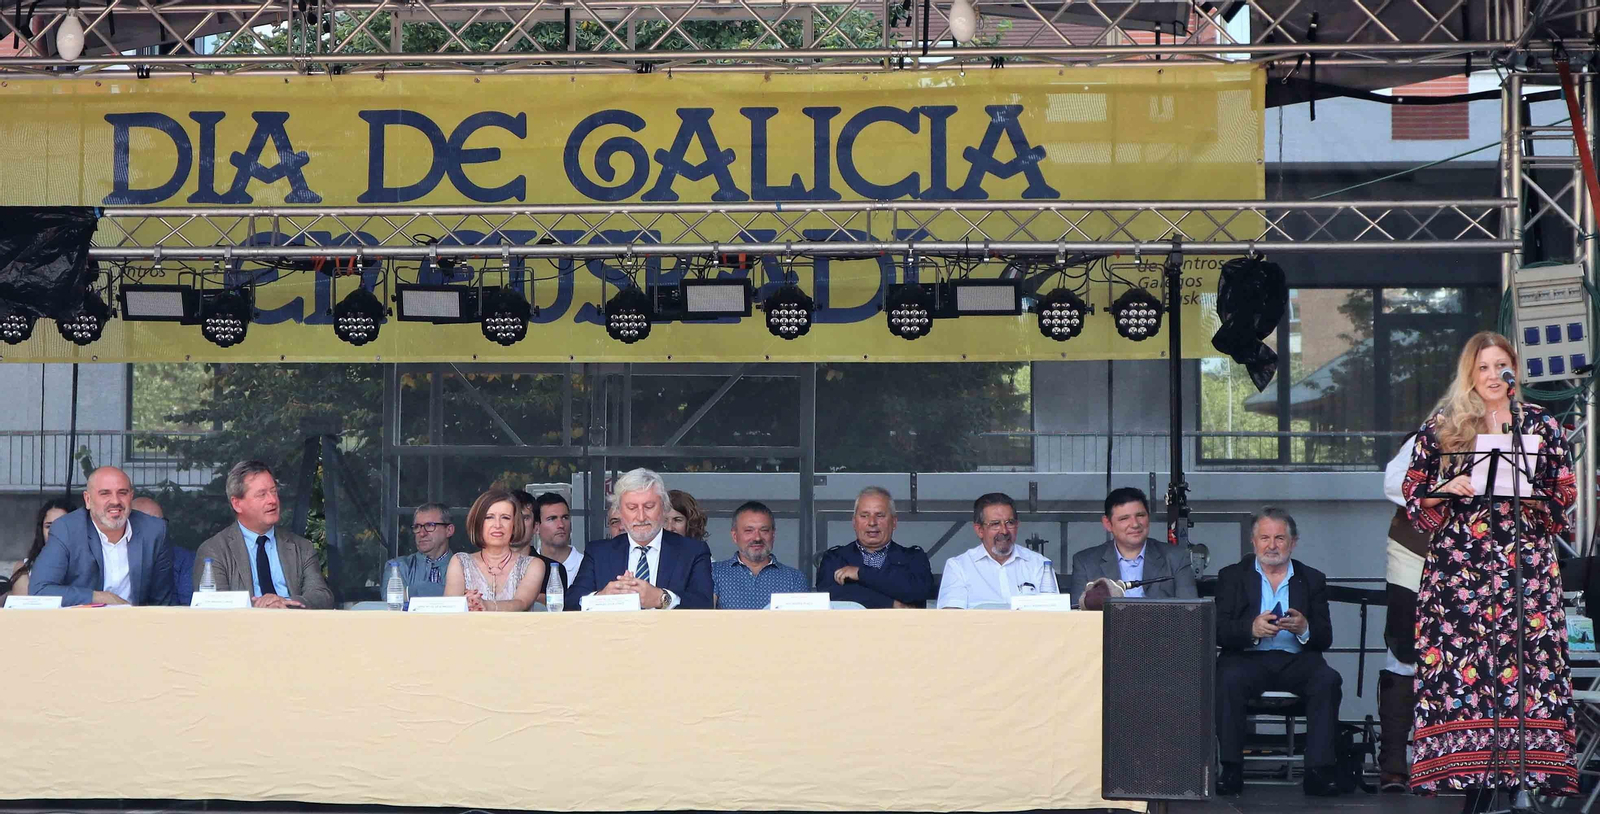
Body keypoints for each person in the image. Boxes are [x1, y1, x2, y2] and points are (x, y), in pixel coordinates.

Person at [1402, 331, 1578, 808]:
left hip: (1525, 564)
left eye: (1501, 365)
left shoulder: (1539, 424)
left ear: (1514, 371)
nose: (1493, 375)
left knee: (1525, 667)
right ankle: (1472, 786)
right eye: (1483, 367)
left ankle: (1523, 779)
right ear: (1470, 374)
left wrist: (1537, 497)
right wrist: (1449, 484)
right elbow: (1414, 496)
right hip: (1462, 570)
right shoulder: (1445, 422)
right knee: (1466, 669)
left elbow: (1564, 493)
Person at [1214, 507, 1342, 798]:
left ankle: (1318, 772)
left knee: (1328, 680)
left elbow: (1326, 637)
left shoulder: (1312, 579)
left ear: (1293, 542)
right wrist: (1251, 629)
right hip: (1247, 660)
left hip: (1297, 661)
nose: (1272, 545)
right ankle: (1231, 768)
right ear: (1253, 541)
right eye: (1265, 538)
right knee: (1227, 679)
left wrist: (1305, 628)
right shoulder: (1231, 576)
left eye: (1280, 538)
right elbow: (1218, 631)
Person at [193, 460, 335, 609]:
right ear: (237, 504)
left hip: (294, 626)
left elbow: (322, 595)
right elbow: (214, 610)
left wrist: (287, 603)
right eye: (262, 495)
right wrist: (260, 609)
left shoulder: (301, 547)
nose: (273, 500)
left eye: (273, 491)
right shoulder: (214, 551)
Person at [567, 468, 713, 610]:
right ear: (619, 511)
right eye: (632, 508)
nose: (641, 517)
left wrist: (661, 598)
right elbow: (570, 603)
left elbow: (704, 604)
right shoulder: (598, 553)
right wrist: (601, 598)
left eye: (649, 506)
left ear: (664, 508)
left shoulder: (692, 551)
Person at [30, 466, 175, 606]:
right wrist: (100, 597)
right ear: (88, 500)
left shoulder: (154, 531)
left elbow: (162, 602)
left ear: (131, 497)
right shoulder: (67, 529)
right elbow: (40, 590)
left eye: (122, 493)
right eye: (105, 493)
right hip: (81, 625)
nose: (115, 501)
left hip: (133, 625)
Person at [1379, 433, 1426, 792]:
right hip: (1414, 550)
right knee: (1403, 650)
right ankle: (1394, 761)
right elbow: (1393, 483)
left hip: (1472, 555)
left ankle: (1449, 760)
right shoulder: (1430, 432)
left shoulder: (1508, 432)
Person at [1067, 487, 1198, 603]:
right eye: (1124, 518)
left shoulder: (1176, 558)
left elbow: (1191, 613)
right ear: (1107, 523)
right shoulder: (1086, 563)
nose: (1135, 524)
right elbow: (1079, 617)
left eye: (1140, 515)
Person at [816, 486, 933, 609]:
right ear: (854, 522)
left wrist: (861, 573)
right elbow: (831, 597)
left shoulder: (913, 557)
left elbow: (918, 592)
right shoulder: (834, 559)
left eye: (880, 515)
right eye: (864, 515)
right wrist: (891, 604)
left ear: (894, 522)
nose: (872, 522)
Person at [937, 492, 1057, 609]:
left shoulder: (1039, 564)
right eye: (995, 524)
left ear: (1017, 525)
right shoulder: (959, 567)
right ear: (979, 530)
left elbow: (1055, 617)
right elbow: (951, 620)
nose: (1004, 531)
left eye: (1009, 523)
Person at [444, 488, 547, 612]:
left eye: (505, 518)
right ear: (478, 523)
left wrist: (485, 605)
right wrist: (466, 603)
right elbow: (449, 610)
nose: (497, 525)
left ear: (515, 525)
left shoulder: (533, 564)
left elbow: (521, 603)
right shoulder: (460, 562)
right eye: (489, 517)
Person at [712, 501, 808, 609]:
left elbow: (803, 623)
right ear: (735, 536)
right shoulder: (714, 573)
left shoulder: (794, 578)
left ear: (773, 535)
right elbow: (703, 619)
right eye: (749, 531)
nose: (757, 538)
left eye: (764, 530)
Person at [380, 502, 455, 599]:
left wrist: (409, 592)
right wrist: (456, 592)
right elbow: (392, 600)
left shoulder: (466, 567)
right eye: (417, 527)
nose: (422, 533)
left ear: (449, 530)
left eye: (429, 525)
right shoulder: (398, 567)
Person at [7, 497, 77, 597]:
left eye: (61, 525)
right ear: (41, 530)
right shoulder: (25, 569)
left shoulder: (89, 565)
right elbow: (23, 611)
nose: (54, 531)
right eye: (48, 526)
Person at [132, 495, 192, 606]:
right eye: (151, 523)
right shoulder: (117, 555)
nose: (158, 528)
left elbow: (190, 608)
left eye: (161, 522)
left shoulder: (184, 559)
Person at [533, 492, 582, 588]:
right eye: (552, 519)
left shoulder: (587, 566)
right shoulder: (527, 567)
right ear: (536, 527)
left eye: (565, 517)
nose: (561, 525)